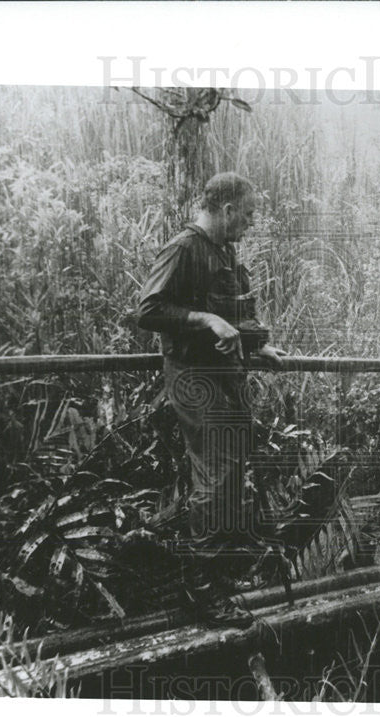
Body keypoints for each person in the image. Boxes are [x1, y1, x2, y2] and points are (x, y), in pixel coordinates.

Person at [136, 172, 285, 628]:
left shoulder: (224, 251)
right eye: (248, 213)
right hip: (193, 378)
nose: (252, 222)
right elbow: (148, 310)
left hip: (225, 375)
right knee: (215, 475)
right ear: (226, 210)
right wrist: (204, 320)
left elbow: (237, 311)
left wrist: (258, 346)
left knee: (233, 469)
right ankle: (199, 589)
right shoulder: (184, 248)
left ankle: (219, 575)